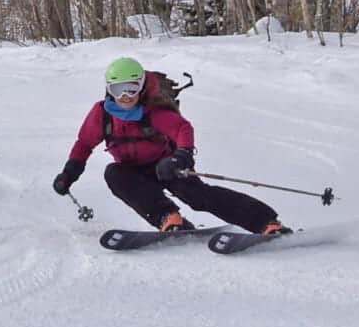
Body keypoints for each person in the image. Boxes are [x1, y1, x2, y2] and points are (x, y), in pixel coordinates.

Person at [53, 57, 290, 234]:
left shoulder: (152, 111)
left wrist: (181, 156)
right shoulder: (101, 114)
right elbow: (84, 144)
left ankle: (265, 221)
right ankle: (168, 218)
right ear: (108, 90)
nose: (125, 96)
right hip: (132, 171)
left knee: (198, 196)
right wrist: (69, 173)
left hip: (165, 165)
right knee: (114, 173)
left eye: (131, 89)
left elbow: (182, 129)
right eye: (118, 90)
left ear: (142, 87)